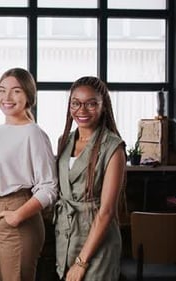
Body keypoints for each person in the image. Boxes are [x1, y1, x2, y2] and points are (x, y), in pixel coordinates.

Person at [0, 68, 58, 281]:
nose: (7, 97)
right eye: (2, 90)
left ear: (29, 95)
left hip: (17, 213)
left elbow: (49, 187)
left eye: (16, 91)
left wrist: (17, 216)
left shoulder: (33, 133)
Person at [54, 76, 126, 281]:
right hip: (66, 236)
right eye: (76, 103)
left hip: (97, 241)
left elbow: (107, 211)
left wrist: (81, 262)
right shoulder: (64, 141)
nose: (82, 110)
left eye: (91, 103)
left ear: (103, 106)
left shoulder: (113, 147)